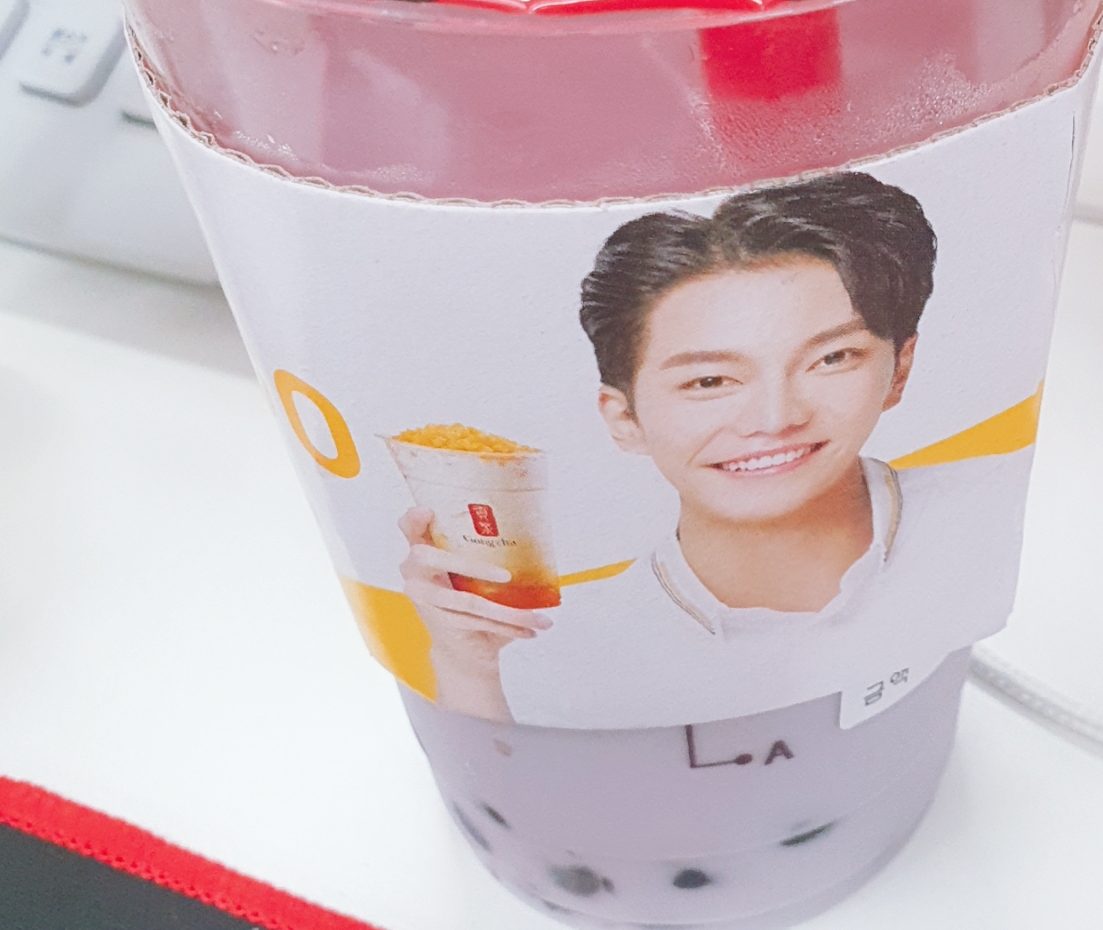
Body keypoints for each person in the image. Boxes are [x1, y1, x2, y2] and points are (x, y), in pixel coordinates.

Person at [398, 171, 1022, 728]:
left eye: (832, 358)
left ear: (899, 369)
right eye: (709, 381)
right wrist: (467, 664)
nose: (775, 419)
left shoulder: (989, 508)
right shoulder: (561, 644)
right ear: (624, 418)